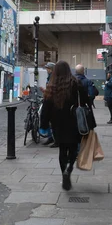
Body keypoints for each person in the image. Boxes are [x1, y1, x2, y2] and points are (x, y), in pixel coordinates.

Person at [40, 60, 88, 191]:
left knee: (62, 150)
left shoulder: (52, 85)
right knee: (73, 148)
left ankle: (64, 174)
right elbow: (85, 100)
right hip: (74, 122)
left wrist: (43, 123)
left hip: (57, 124)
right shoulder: (76, 83)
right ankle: (70, 168)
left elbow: (46, 106)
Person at [41, 62, 56, 147]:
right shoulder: (49, 77)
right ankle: (51, 137)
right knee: (49, 120)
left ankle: (54, 138)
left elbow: (52, 90)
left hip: (51, 102)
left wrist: (45, 91)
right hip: (48, 99)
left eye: (48, 68)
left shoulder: (53, 78)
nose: (47, 70)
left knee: (51, 120)